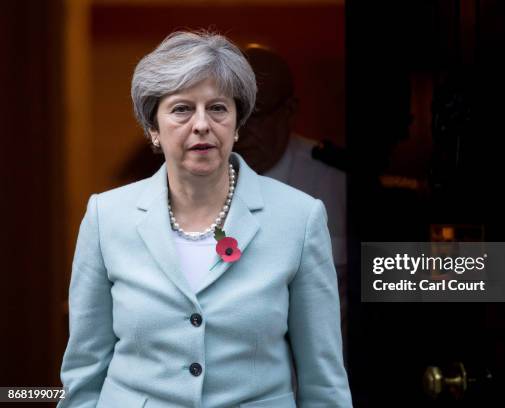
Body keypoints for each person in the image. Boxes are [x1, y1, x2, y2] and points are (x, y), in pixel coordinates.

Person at [58, 30, 352, 408]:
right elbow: (84, 371)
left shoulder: (300, 217)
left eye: (218, 108)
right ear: (153, 127)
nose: (201, 124)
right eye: (181, 109)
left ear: (237, 122)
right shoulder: (106, 216)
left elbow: (323, 381)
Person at [235, 45, 348, 351]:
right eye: (229, 112)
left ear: (289, 111)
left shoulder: (336, 181)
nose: (239, 133)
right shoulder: (192, 181)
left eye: (254, 116)